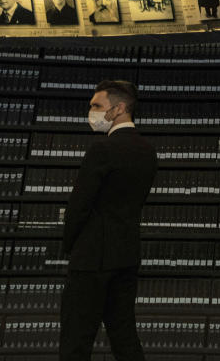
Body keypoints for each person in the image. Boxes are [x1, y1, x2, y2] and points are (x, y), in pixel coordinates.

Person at [60, 80, 157, 361]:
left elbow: (79, 205)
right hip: (126, 255)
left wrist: (70, 246)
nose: (91, 112)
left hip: (91, 258)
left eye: (97, 106)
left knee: (76, 340)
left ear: (119, 108)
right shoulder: (147, 151)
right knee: (124, 337)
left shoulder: (102, 149)